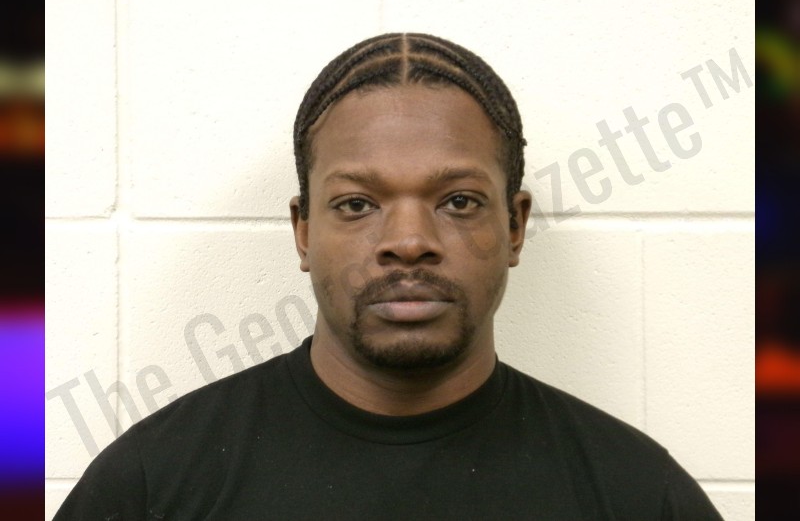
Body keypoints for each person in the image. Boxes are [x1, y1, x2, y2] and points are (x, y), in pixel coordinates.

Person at [55, 32, 722, 520]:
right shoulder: (150, 487)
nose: (409, 242)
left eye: (458, 201)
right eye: (357, 204)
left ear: (514, 226)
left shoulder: (638, 494)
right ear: (304, 230)